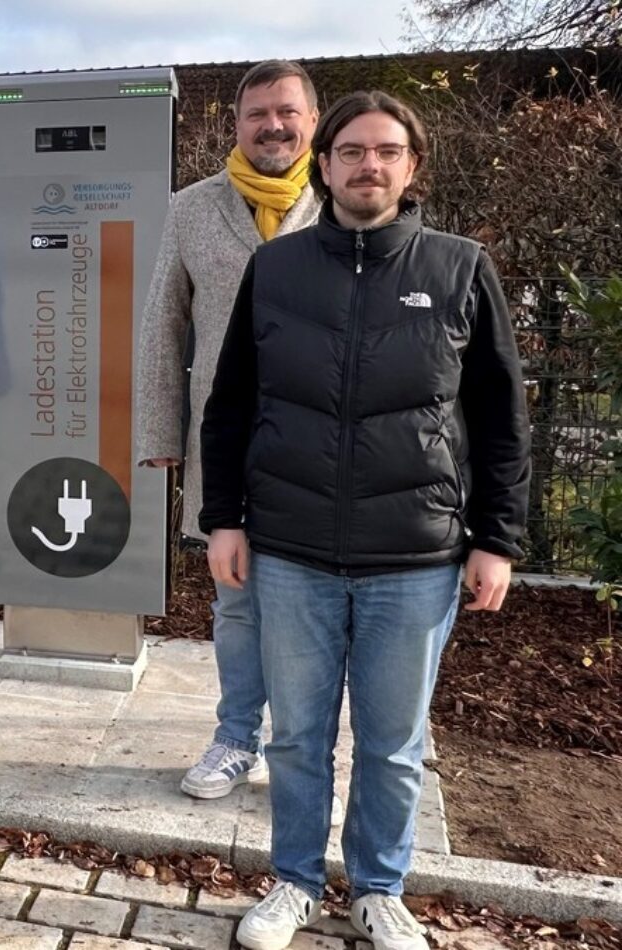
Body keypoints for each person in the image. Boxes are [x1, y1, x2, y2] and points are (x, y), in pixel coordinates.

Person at [201, 90, 530, 950]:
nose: (368, 166)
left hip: (415, 558)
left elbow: (501, 419)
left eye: (386, 151)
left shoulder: (459, 268)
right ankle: (294, 882)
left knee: (392, 744)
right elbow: (231, 403)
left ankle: (380, 890)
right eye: (351, 151)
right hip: (290, 550)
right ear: (326, 164)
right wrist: (223, 519)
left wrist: (497, 539)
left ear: (411, 167)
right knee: (297, 739)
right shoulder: (276, 269)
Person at [135, 60, 322, 799]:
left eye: (287, 112)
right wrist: (160, 431)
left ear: (312, 120)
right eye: (257, 114)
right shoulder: (190, 208)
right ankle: (237, 737)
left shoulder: (343, 201)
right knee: (237, 601)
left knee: (310, 605)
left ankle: (300, 748)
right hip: (228, 439)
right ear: (236, 124)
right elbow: (161, 323)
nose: (272, 126)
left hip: (323, 442)